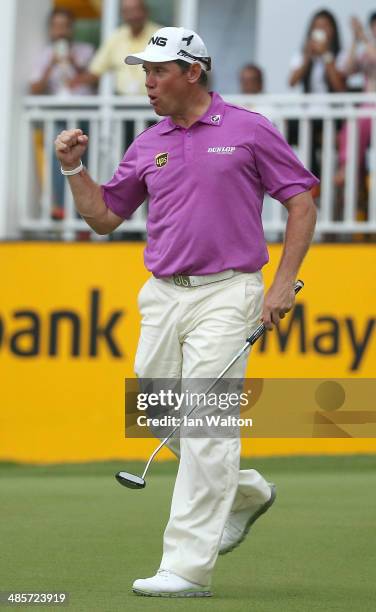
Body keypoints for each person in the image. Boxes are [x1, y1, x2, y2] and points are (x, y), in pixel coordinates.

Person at [55, 26, 318, 597]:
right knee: (157, 413)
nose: (147, 83)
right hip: (163, 293)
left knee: (205, 426)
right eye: (145, 72)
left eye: (158, 72)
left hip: (229, 292)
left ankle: (185, 568)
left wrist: (282, 285)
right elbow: (104, 218)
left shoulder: (248, 128)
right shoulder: (148, 141)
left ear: (193, 72)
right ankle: (246, 491)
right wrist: (75, 170)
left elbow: (300, 201)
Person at [30, 8, 95, 220]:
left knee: (89, 160)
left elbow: (94, 80)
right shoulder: (44, 55)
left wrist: (73, 62)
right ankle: (61, 206)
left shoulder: (85, 50)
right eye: (56, 26)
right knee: (60, 156)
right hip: (59, 117)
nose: (61, 31)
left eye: (65, 26)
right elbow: (35, 89)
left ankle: (87, 211)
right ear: (51, 29)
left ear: (71, 28)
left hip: (86, 115)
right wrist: (51, 64)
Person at [288, 9, 346, 178]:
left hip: (332, 114)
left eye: (325, 27)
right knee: (289, 128)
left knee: (310, 129)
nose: (320, 31)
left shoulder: (339, 55)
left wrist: (326, 56)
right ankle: (308, 178)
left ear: (333, 31)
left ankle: (314, 180)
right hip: (309, 113)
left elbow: (339, 87)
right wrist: (308, 57)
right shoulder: (302, 55)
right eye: (317, 27)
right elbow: (292, 81)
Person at [335, 14, 376, 189]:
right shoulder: (368, 50)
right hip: (367, 106)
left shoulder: (370, 50)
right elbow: (347, 69)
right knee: (350, 127)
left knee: (359, 122)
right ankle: (348, 168)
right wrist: (354, 40)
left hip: (371, 109)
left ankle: (348, 168)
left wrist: (364, 38)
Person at [87, 0, 162, 94]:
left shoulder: (160, 36)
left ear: (146, 11)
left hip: (155, 101)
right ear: (122, 14)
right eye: (127, 11)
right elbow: (95, 71)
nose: (132, 15)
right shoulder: (116, 37)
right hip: (121, 104)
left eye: (136, 10)